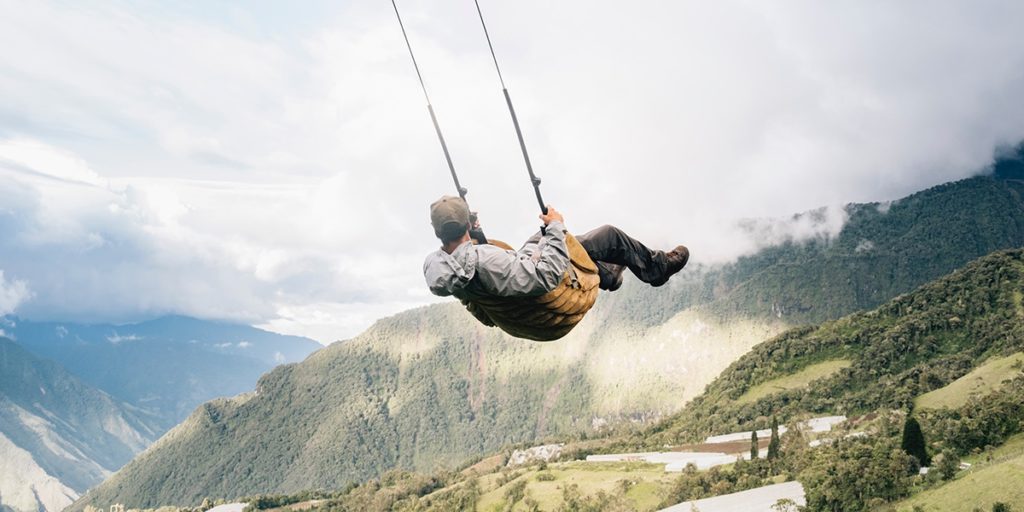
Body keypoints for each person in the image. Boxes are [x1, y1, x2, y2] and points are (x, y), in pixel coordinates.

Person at [423, 195, 688, 301]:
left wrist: (476, 234)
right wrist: (556, 227)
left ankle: (607, 275)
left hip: (516, 267)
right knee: (609, 235)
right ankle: (656, 268)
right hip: (538, 278)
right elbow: (544, 275)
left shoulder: (440, 268)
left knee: (540, 238)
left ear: (436, 232)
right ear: (464, 225)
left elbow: (471, 261)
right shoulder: (489, 263)